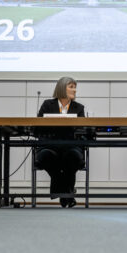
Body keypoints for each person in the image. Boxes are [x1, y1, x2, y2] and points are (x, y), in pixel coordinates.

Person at [36, 76, 86, 208]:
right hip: (49, 146)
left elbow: (83, 131)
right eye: (71, 87)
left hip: (70, 146)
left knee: (72, 157)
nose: (74, 90)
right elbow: (37, 128)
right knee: (46, 156)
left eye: (75, 87)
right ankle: (67, 194)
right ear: (61, 88)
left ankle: (63, 193)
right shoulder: (47, 105)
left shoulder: (79, 108)